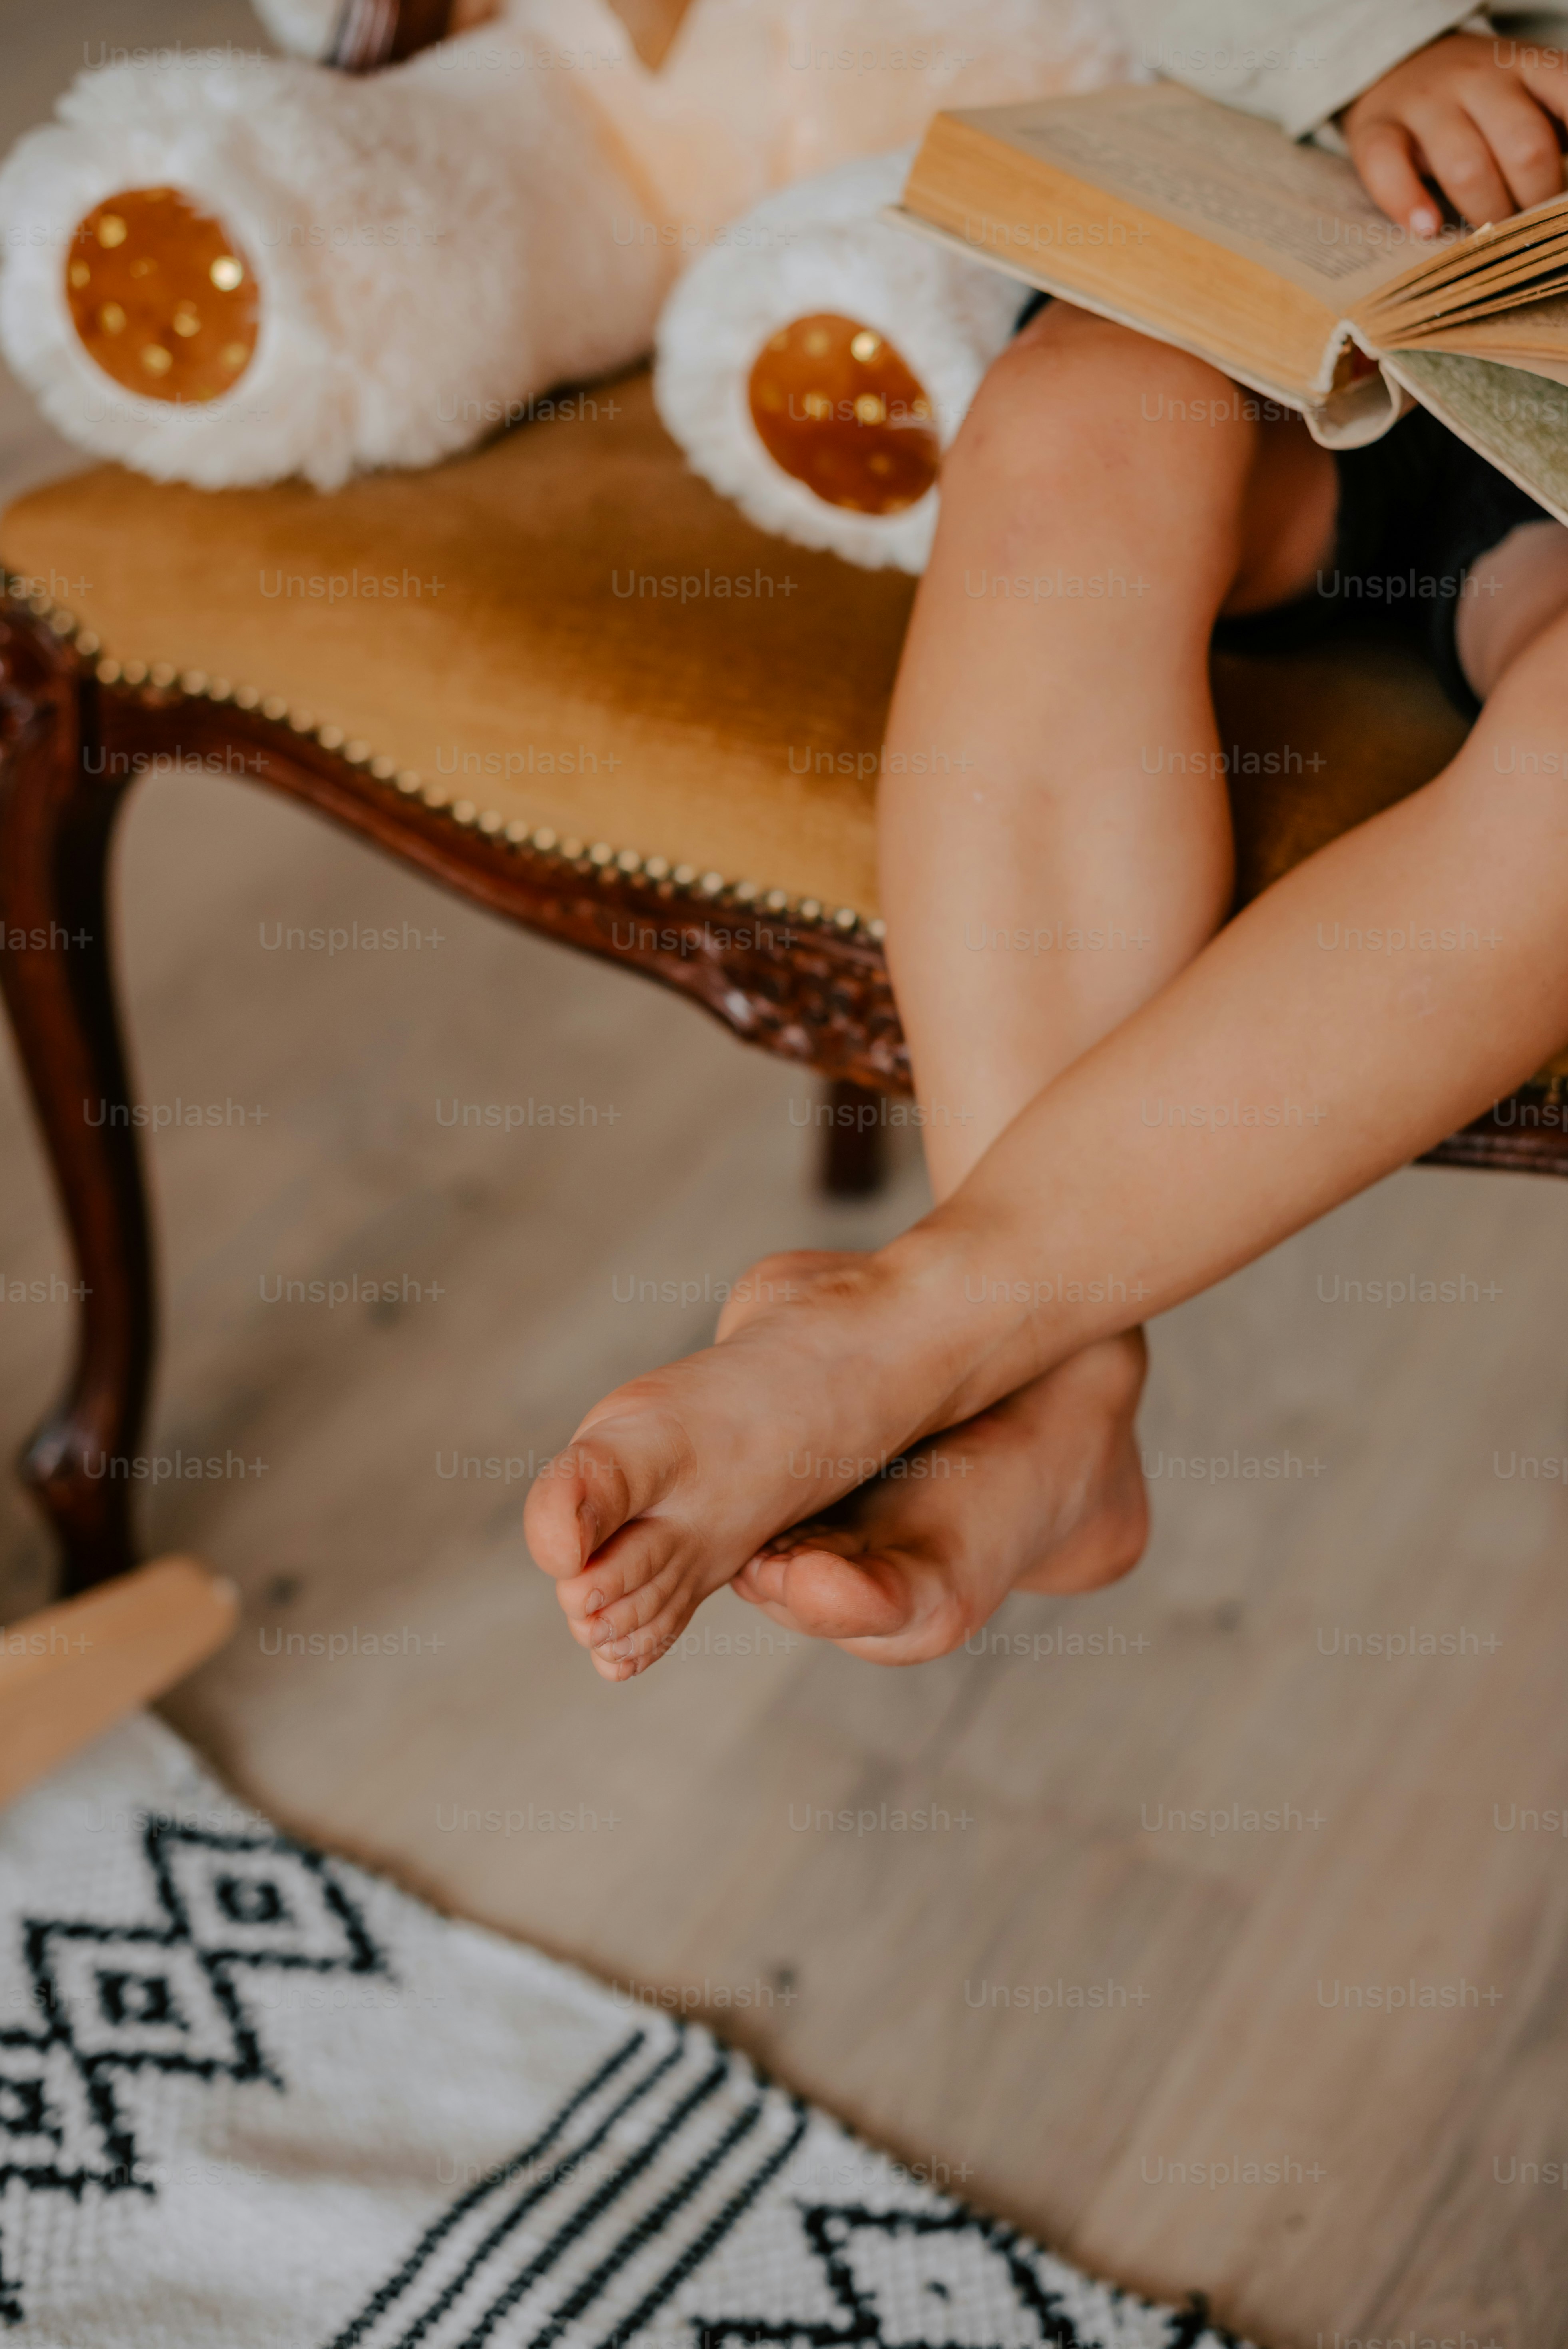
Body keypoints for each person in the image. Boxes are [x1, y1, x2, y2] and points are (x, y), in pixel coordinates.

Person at [526, 22, 1568, 1678]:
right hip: (1348, 286)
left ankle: (924, 1340)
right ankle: (1056, 1397)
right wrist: (1390, 47)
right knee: (1087, 419)